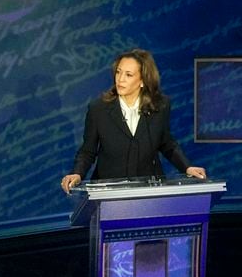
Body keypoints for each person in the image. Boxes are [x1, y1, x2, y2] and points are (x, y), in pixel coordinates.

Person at [60, 49, 207, 194]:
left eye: (128, 75)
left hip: (149, 189)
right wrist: (77, 173)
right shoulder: (98, 109)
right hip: (109, 191)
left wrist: (187, 167)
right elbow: (87, 151)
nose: (120, 79)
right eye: (118, 72)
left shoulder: (160, 106)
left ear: (143, 80)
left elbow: (167, 143)